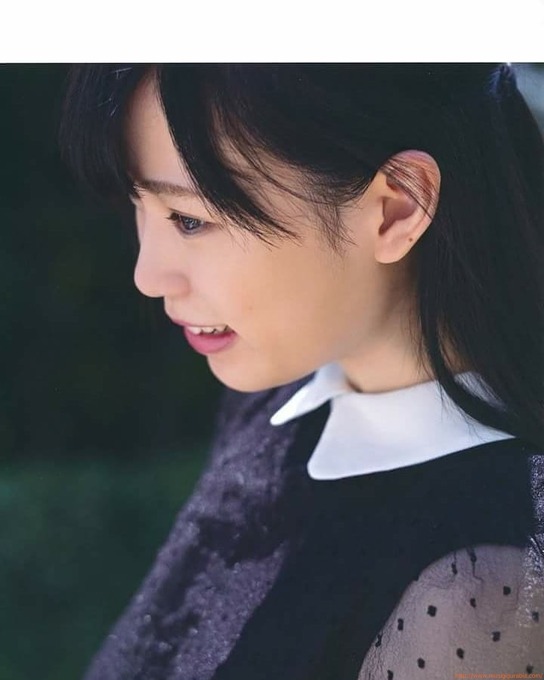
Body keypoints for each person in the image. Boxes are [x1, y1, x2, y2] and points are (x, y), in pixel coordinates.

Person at [60, 64, 544, 679]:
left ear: (397, 207)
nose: (147, 276)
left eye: (189, 220)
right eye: (140, 204)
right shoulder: (277, 404)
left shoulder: (487, 584)